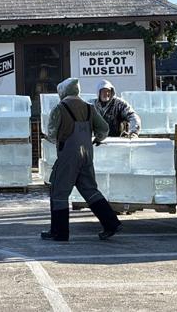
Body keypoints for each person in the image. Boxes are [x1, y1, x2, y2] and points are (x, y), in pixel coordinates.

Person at [41, 77, 122, 241]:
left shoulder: (60, 108)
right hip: (86, 155)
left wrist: (57, 140)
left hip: (68, 157)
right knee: (90, 190)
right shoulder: (89, 107)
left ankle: (59, 232)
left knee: (59, 192)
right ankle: (111, 223)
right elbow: (104, 129)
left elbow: (51, 133)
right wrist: (97, 138)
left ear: (62, 92)